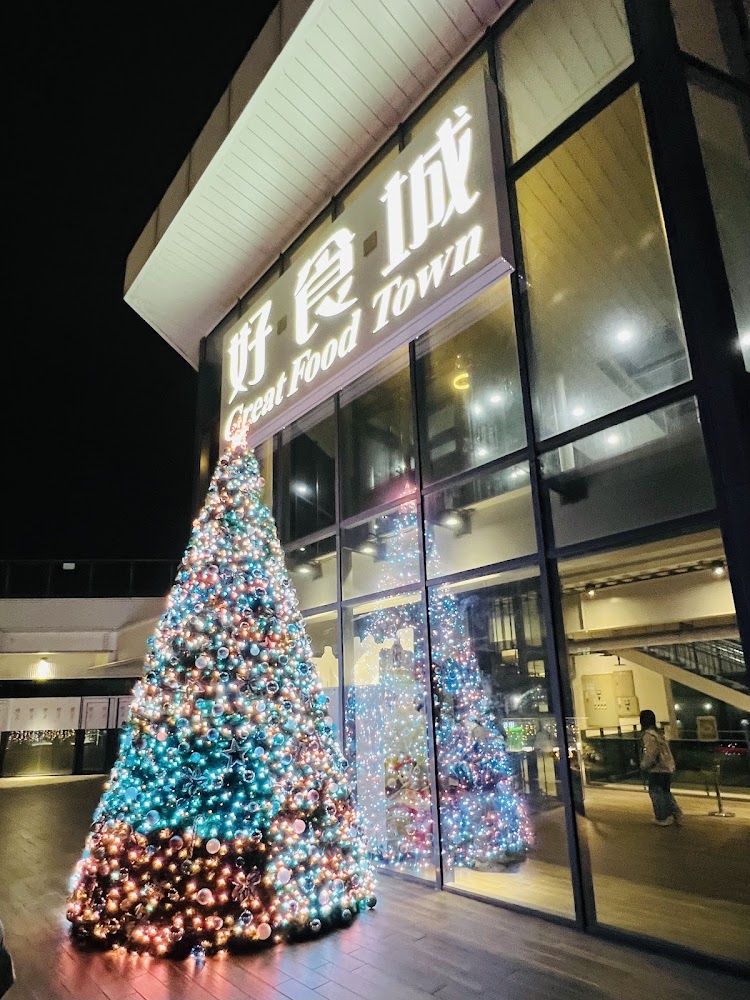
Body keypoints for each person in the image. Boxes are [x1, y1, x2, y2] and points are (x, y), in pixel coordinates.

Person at [639, 709, 683, 826]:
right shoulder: (659, 733)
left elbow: (650, 753)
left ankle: (663, 817)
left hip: (657, 768)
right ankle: (675, 813)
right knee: (665, 792)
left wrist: (644, 765)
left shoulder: (648, 735)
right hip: (667, 766)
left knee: (656, 792)